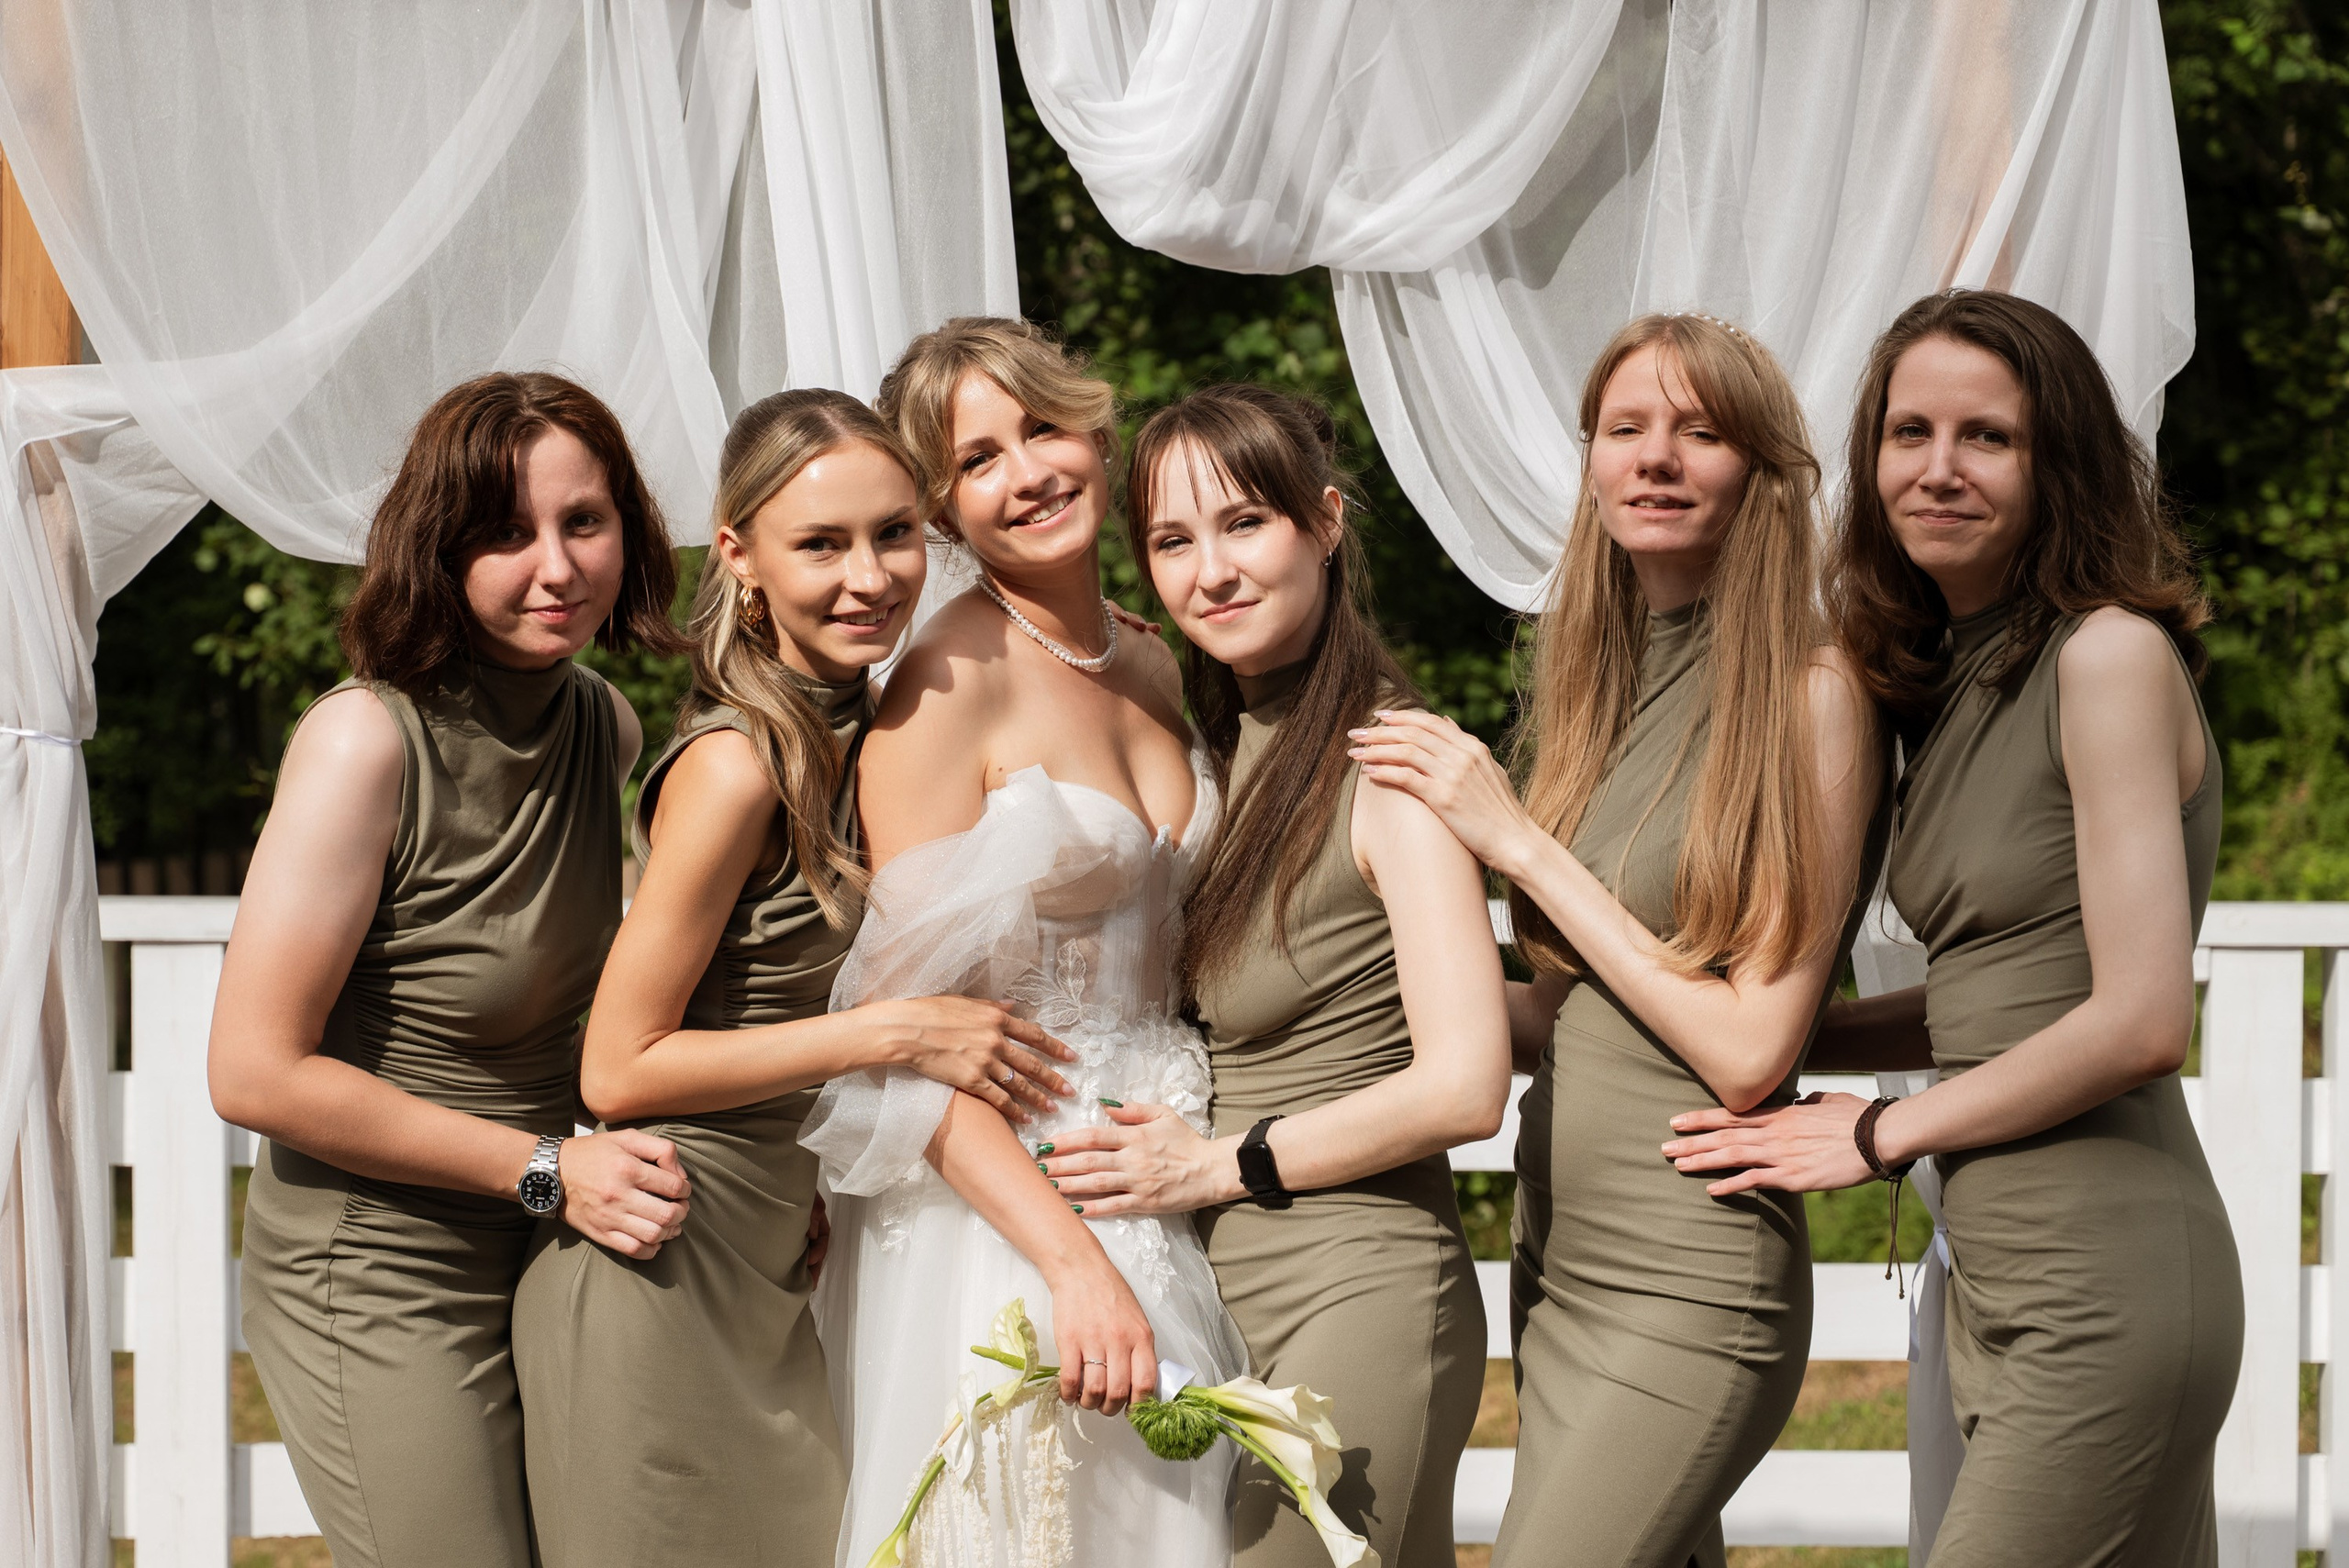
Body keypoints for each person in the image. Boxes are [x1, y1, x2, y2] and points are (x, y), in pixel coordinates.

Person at [1660, 290, 2244, 1567]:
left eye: (1989, 437)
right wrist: (1779, 1045)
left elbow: (2142, 1017)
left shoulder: (2106, 657)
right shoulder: (1959, 671)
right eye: (1907, 431)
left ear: (2059, 465)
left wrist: (1875, 1132)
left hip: (2107, 1276)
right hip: (1993, 1271)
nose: (1938, 468)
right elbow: (2005, 995)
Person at [1349, 313, 1888, 1568]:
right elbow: (1581, 1009)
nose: (1655, 456)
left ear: (1760, 470)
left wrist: (1517, 844)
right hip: (1561, 1254)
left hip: (1692, 1272)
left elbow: (1751, 1048)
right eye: (1625, 427)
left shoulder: (1816, 697)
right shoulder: (1597, 684)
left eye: (1699, 432)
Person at [508, 389, 1080, 1566]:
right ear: (739, 555)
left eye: (894, 534)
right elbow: (618, 1066)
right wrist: (894, 1034)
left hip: (778, 1261)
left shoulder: (864, 733)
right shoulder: (735, 762)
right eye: (819, 544)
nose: (868, 576)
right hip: (660, 1266)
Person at [210, 373, 693, 1568]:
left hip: (545, 1239)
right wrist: (543, 1170)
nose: (556, 566)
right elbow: (253, 1073)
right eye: (503, 533)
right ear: (437, 549)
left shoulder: (605, 729)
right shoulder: (363, 741)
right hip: (375, 1259)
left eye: (583, 522)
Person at [1037, 383, 1509, 1567]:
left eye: (1245, 523)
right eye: (1172, 541)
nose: (1213, 570)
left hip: (1366, 1288)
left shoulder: (1390, 764)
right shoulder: (1221, 754)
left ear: (1328, 522)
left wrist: (1214, 1164)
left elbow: (1466, 1086)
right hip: (1228, 1297)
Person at [801, 317, 1246, 1568]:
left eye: (1041, 428)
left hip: (1165, 1186)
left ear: (1095, 430)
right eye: (977, 459)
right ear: (944, 509)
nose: (1027, 472)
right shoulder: (941, 686)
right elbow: (903, 1050)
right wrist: (1071, 1267)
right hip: (1004, 1222)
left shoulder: (1156, 657)